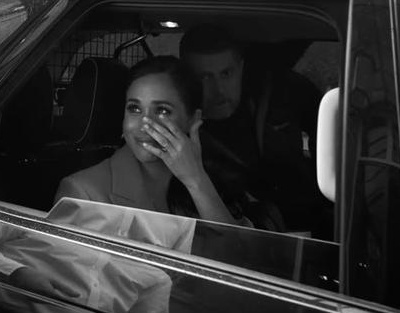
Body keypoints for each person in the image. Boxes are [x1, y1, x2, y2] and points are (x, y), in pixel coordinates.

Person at [54, 56, 251, 226]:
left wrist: (195, 181)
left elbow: (242, 254)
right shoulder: (83, 193)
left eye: (162, 111)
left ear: (193, 120)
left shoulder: (216, 180)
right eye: (134, 109)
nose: (145, 125)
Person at [179, 23, 331, 236]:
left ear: (241, 68)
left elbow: (330, 143)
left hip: (314, 224)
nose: (218, 89)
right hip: (247, 239)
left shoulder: (280, 94)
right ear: (187, 80)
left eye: (226, 73)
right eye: (204, 77)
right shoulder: (183, 137)